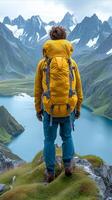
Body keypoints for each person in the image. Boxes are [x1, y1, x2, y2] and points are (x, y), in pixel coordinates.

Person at [34, 26, 83, 183]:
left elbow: (38, 89)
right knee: (67, 137)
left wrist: (38, 109)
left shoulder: (43, 63)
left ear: (51, 40)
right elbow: (78, 88)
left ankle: (50, 172)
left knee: (49, 140)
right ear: (65, 39)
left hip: (50, 109)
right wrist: (78, 107)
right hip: (69, 107)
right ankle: (68, 165)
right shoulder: (72, 63)